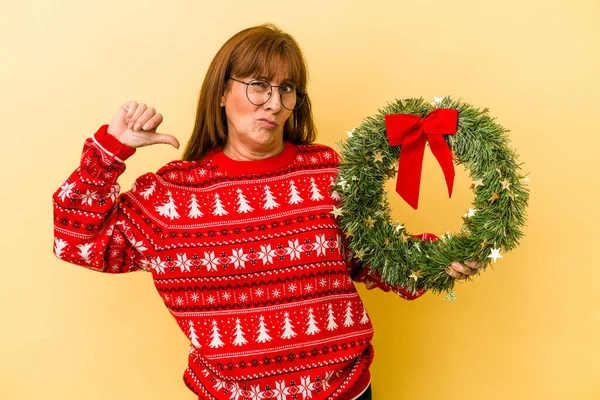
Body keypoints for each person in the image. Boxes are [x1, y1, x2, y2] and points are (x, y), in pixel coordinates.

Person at [52, 23, 482, 400]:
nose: (274, 103)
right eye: (258, 85)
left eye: (287, 89)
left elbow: (370, 257)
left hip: (344, 389)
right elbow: (75, 241)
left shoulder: (326, 170)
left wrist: (438, 261)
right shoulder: (171, 195)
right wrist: (111, 149)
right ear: (222, 92)